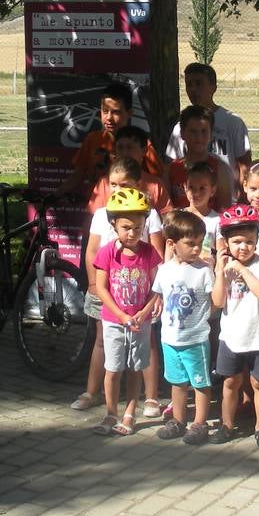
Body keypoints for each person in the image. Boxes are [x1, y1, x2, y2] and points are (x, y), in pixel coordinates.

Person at [72, 159, 166, 414]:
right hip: (107, 290)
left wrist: (156, 293)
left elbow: (158, 252)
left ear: (138, 184)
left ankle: (151, 397)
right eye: (112, 184)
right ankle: (91, 392)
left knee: (148, 343)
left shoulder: (150, 214)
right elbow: (92, 250)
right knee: (102, 340)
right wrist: (93, 283)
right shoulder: (102, 214)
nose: (117, 189)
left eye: (124, 184)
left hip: (141, 293)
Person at [91, 188, 162, 437]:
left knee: (135, 368)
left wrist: (144, 312)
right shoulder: (107, 252)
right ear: (114, 225)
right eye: (126, 227)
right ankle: (111, 412)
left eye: (138, 227)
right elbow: (100, 287)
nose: (132, 233)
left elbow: (158, 287)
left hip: (140, 323)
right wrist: (120, 315)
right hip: (114, 321)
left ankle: (130, 412)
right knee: (113, 369)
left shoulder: (149, 252)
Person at [210, 204, 259, 448]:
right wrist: (220, 271)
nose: (243, 247)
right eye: (237, 241)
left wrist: (240, 269)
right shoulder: (225, 268)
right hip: (231, 337)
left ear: (257, 240)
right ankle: (227, 424)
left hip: (258, 337)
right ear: (226, 242)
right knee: (230, 382)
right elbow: (217, 302)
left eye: (249, 241)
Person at [152, 210, 216, 445]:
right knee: (177, 382)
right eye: (191, 244)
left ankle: (200, 423)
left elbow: (215, 300)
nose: (197, 249)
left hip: (196, 339)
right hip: (170, 338)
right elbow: (159, 294)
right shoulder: (164, 270)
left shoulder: (203, 271)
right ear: (172, 244)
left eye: (200, 243)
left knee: (200, 383)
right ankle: (178, 420)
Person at [59, 81, 162, 196]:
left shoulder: (143, 145)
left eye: (116, 112)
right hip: (97, 208)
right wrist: (55, 195)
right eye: (105, 111)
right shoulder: (92, 139)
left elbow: (157, 183)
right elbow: (78, 175)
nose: (109, 118)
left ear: (129, 113)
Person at [164, 62, 253, 187]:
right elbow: (171, 166)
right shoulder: (180, 126)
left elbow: (244, 164)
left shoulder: (232, 122)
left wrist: (241, 196)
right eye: (189, 85)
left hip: (227, 198)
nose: (193, 89)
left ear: (213, 87)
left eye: (199, 84)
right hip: (191, 198)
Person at [87, 125, 170, 213]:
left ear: (144, 151)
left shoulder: (156, 185)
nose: (124, 153)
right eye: (120, 147)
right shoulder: (104, 183)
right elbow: (92, 219)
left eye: (130, 147)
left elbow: (166, 218)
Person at [166, 105, 235, 213]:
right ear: (182, 133)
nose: (199, 137)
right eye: (193, 131)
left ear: (211, 134)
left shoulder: (220, 169)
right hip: (179, 226)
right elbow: (166, 209)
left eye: (204, 131)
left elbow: (225, 211)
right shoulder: (171, 169)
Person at [177, 161, 221, 263]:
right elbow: (170, 249)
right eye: (191, 187)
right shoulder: (178, 217)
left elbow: (220, 251)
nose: (196, 193)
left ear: (213, 190)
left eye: (202, 188)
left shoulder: (217, 220)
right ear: (185, 187)